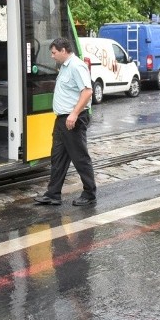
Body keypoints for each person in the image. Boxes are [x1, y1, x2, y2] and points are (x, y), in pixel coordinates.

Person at [35, 37, 96, 207]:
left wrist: (74, 114)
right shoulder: (64, 67)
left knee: (80, 157)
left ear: (63, 51)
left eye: (54, 53)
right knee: (58, 157)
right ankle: (53, 194)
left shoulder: (76, 66)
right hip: (62, 119)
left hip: (73, 119)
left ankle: (90, 194)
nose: (52, 56)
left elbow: (87, 91)